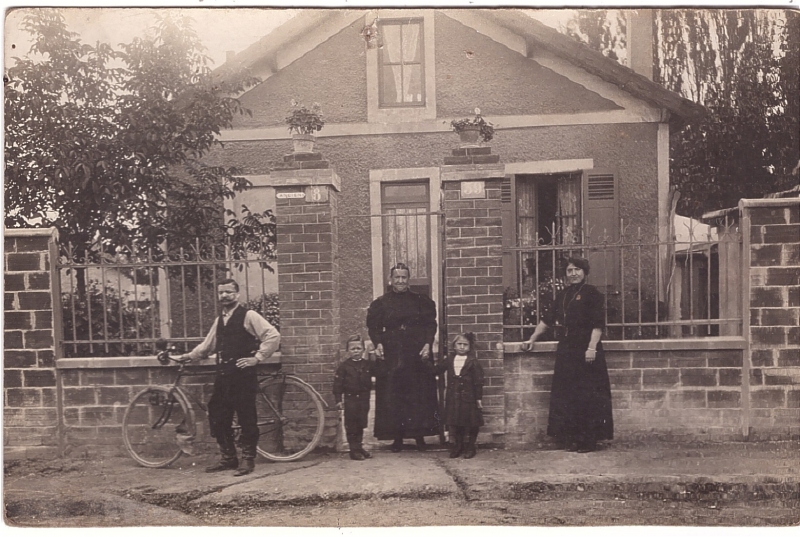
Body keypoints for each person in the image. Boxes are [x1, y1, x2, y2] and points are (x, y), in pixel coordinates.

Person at [178, 278, 280, 475]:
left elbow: (273, 336)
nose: (224, 295)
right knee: (217, 414)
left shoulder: (249, 315)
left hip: (243, 375)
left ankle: (248, 460)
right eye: (221, 292)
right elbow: (208, 346)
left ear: (237, 295)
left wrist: (257, 358)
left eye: (228, 292)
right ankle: (229, 458)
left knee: (246, 416)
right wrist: (189, 356)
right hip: (224, 375)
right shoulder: (220, 320)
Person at [521, 257, 613, 453]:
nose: (573, 274)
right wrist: (532, 339)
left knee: (587, 394)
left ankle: (588, 441)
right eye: (570, 270)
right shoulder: (563, 295)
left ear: (585, 272)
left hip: (587, 348)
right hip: (567, 349)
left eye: (577, 270)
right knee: (568, 393)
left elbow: (598, 324)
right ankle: (571, 438)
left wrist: (591, 348)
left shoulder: (593, 294)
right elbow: (547, 320)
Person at [367, 262, 440, 452]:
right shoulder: (381, 303)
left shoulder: (421, 301)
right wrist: (378, 343)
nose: (400, 281)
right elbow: (373, 328)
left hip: (416, 352)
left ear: (408, 280)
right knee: (394, 395)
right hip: (393, 353)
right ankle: (397, 437)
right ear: (390, 280)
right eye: (397, 277)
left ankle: (419, 436)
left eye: (404, 277)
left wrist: (427, 344)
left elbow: (430, 325)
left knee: (418, 395)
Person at [435, 332, 484, 459]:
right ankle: (458, 446)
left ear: (469, 347)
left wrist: (478, 398)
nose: (462, 347)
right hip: (454, 396)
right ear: (454, 345)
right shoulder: (450, 359)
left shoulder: (473, 361)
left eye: (465, 344)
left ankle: (471, 446)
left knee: (472, 421)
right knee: (456, 421)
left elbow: (478, 381)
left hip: (469, 397)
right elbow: (437, 370)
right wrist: (424, 362)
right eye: (459, 344)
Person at [333, 335, 376, 461]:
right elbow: (337, 385)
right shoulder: (344, 367)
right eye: (353, 349)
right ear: (348, 350)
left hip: (364, 398)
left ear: (363, 349)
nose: (356, 351)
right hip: (350, 399)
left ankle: (359, 447)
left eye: (358, 348)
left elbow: (377, 369)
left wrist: (373, 354)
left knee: (361, 423)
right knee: (351, 424)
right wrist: (338, 400)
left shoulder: (367, 364)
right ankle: (353, 450)